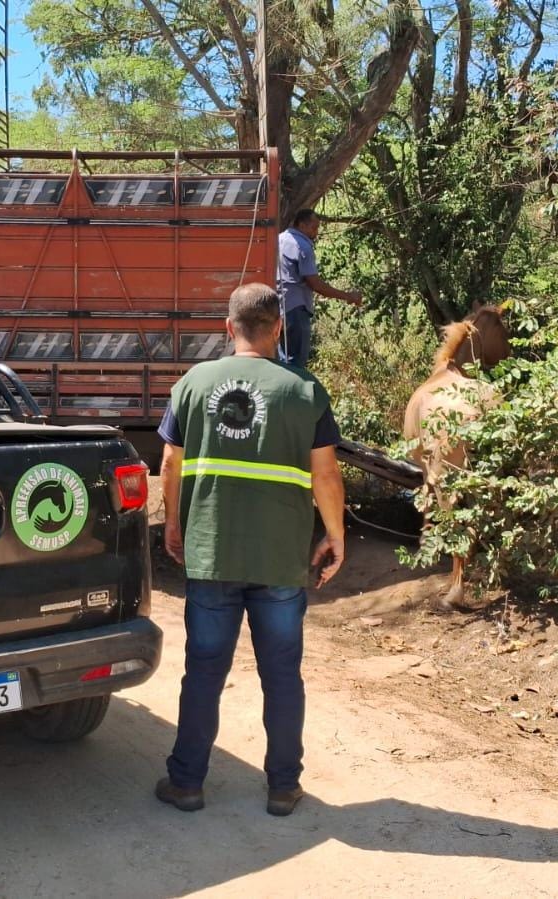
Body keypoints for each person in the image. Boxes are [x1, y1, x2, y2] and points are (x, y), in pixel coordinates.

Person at [154, 282, 347, 817]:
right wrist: (335, 534)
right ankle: (283, 787)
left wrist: (173, 523)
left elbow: (169, 465)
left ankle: (187, 783)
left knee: (204, 670)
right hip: (280, 559)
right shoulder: (304, 389)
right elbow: (325, 474)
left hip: (212, 552)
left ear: (228, 327)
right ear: (278, 328)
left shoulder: (193, 383)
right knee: (282, 674)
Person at [277, 208, 362, 368]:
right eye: (313, 228)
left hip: (276, 308)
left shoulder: (277, 240)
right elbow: (315, 284)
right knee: (295, 364)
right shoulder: (302, 246)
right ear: (301, 225)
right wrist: (348, 296)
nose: (316, 233)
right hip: (296, 309)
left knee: (282, 360)